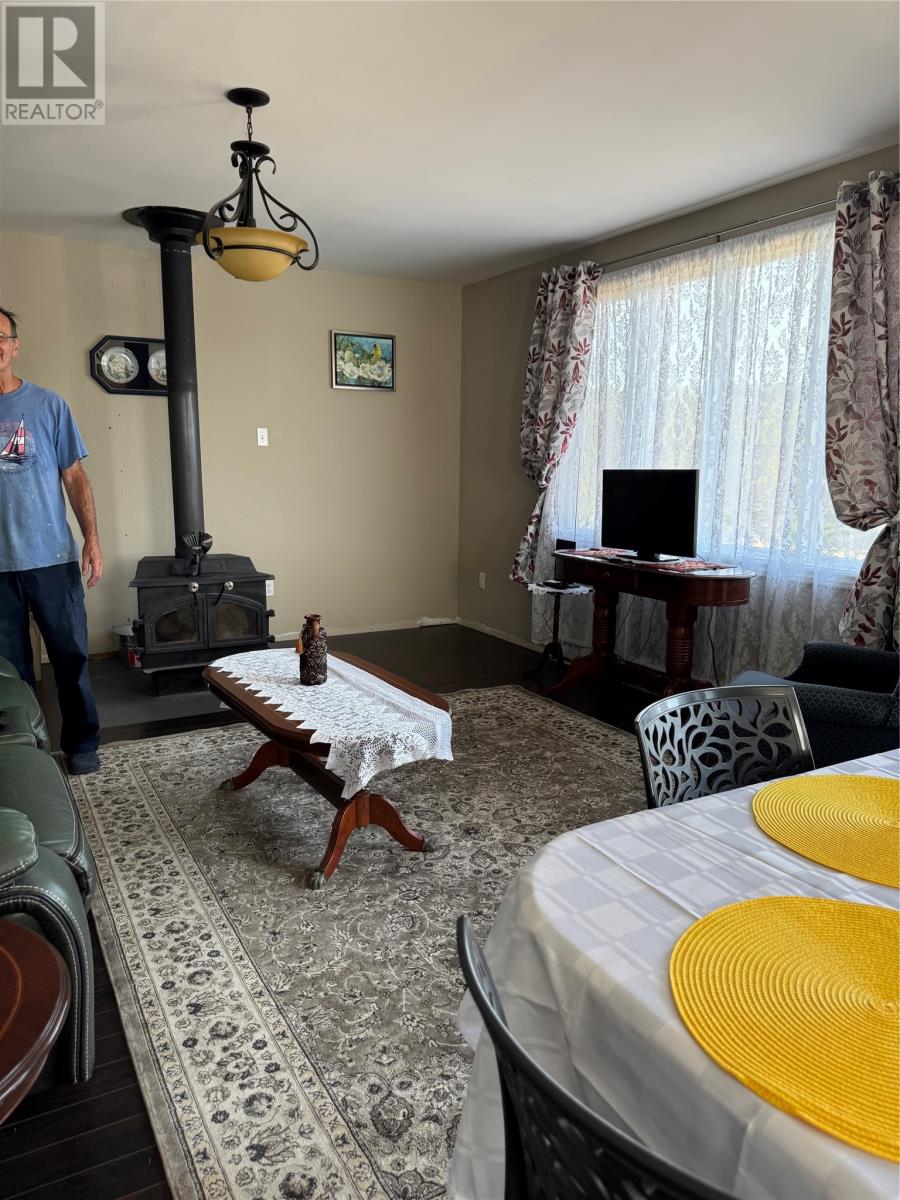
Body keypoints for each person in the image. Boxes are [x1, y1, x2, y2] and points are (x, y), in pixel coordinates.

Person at [0, 306, 102, 773]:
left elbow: (74, 477)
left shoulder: (49, 405)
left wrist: (91, 539)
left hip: (51, 558)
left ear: (14, 345)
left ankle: (82, 745)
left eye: (0, 336)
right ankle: (26, 756)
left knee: (70, 657)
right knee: (9, 671)